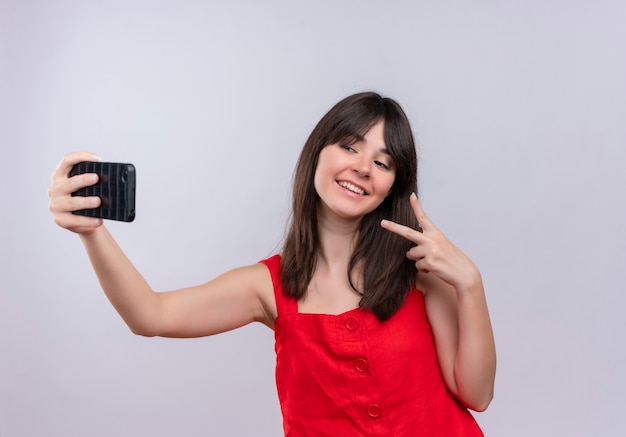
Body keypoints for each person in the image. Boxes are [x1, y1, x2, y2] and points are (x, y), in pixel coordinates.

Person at [48, 92, 496, 436]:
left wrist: (470, 285)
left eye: (382, 162)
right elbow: (150, 314)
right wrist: (93, 233)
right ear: (317, 153)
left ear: (392, 186)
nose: (363, 167)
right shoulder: (267, 286)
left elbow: (476, 395)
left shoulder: (420, 275)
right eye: (350, 147)